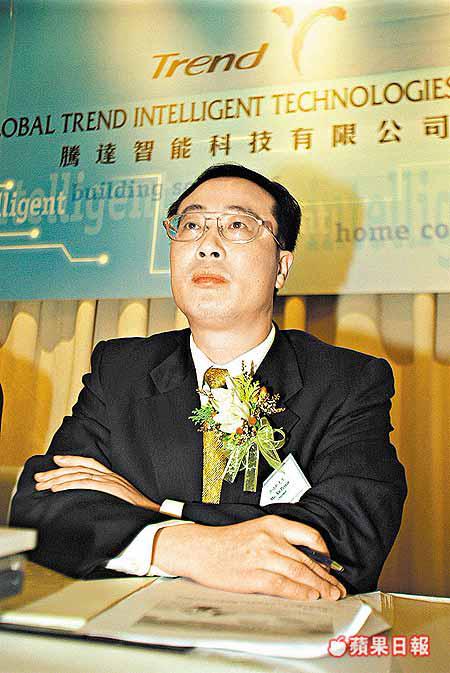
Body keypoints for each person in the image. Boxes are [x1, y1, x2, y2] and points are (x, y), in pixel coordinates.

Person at [10, 164, 407, 601]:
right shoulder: (121, 370)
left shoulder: (347, 382)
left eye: (237, 225)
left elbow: (347, 540)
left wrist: (158, 510)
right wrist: (179, 546)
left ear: (281, 266)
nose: (207, 246)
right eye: (192, 225)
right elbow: (44, 505)